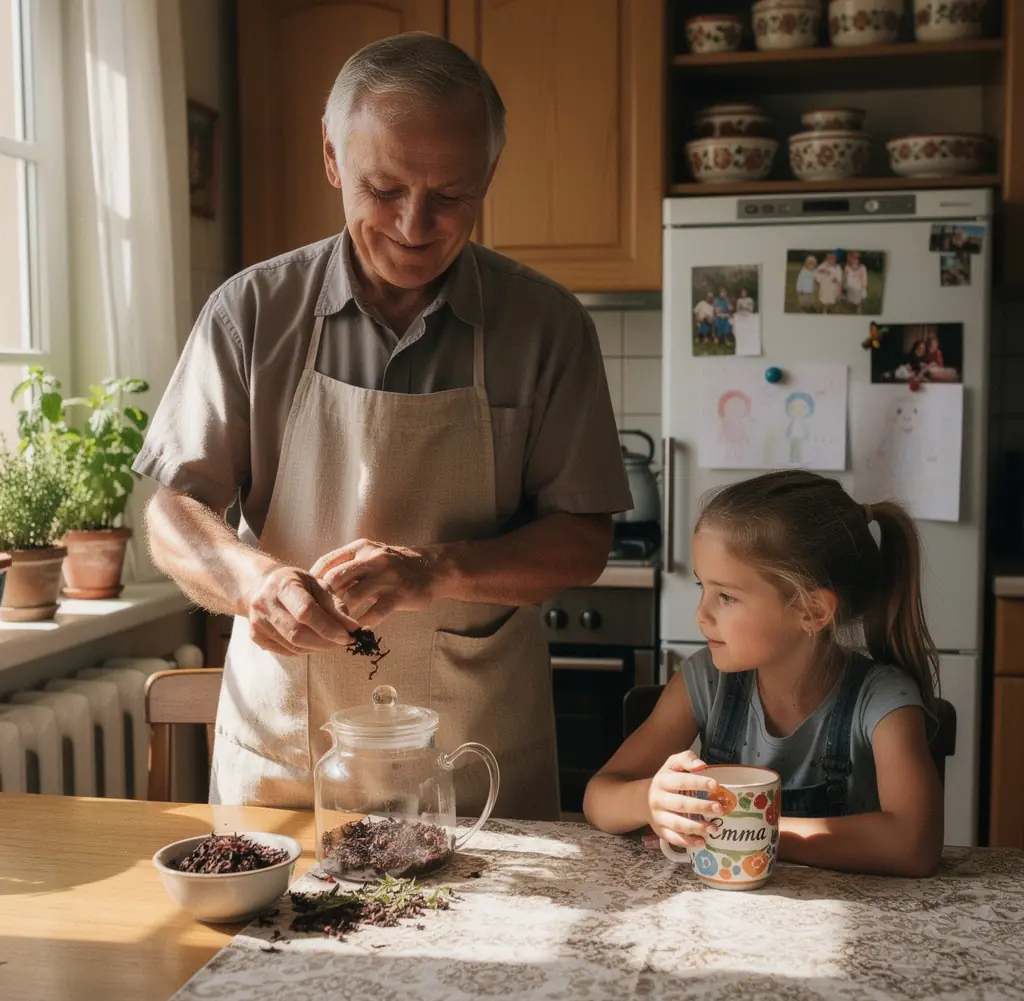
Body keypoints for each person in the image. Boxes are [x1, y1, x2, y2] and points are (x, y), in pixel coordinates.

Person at [134, 33, 631, 820]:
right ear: (332, 157)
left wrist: (434, 571)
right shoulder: (253, 313)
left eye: (451, 195)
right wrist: (256, 582)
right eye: (384, 188)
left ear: (489, 176)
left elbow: (583, 540)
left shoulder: (546, 327)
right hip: (289, 756)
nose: (414, 223)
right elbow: (172, 513)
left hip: (475, 763)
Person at [582, 470, 943, 878]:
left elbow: (914, 844)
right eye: (703, 587)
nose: (701, 614)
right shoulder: (704, 681)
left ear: (812, 611)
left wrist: (748, 832)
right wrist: (647, 800)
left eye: (727, 596)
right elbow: (599, 796)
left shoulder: (881, 701)